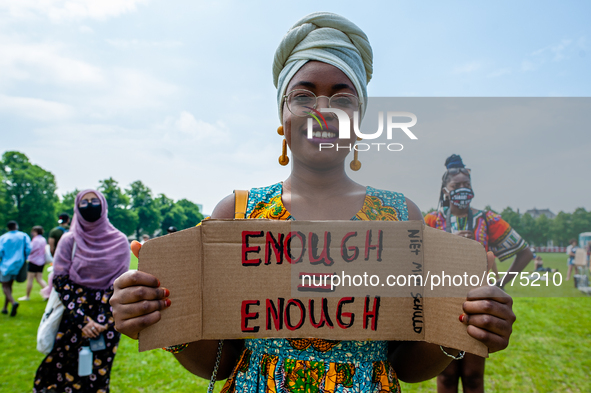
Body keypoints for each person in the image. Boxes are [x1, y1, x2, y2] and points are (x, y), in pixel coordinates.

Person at [109, 13, 516, 393]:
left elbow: (405, 366)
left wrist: (465, 331)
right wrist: (162, 319)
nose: (322, 111)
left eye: (342, 99)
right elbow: (222, 360)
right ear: (283, 117)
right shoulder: (236, 215)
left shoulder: (399, 218)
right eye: (303, 97)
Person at [425, 154, 533, 393]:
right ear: (445, 190)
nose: (462, 190)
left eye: (467, 186)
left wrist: (501, 285)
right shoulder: (432, 221)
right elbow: (416, 260)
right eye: (457, 186)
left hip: (478, 305)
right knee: (446, 375)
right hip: (442, 306)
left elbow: (525, 252)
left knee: (474, 376)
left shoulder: (486, 219)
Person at [33, 190, 130, 393]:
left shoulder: (120, 241)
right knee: (61, 374)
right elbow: (60, 281)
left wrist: (102, 322)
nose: (89, 205)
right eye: (84, 202)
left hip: (106, 323)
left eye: (94, 201)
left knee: (97, 377)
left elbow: (119, 287)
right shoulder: (70, 241)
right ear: (77, 208)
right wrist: (83, 321)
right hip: (72, 317)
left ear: (103, 206)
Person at [0, 221, 31, 316]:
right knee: (9, 285)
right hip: (19, 263)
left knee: (5, 286)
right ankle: (5, 308)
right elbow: (29, 248)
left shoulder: (3, 237)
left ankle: (13, 302)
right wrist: (24, 257)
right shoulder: (23, 236)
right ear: (16, 226)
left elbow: (0, 251)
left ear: (8, 228)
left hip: (6, 265)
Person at [18, 226, 48, 301]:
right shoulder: (43, 239)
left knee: (30, 279)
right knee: (39, 279)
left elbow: (30, 250)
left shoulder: (35, 240)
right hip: (41, 261)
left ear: (35, 231)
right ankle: (48, 294)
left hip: (34, 261)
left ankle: (27, 296)